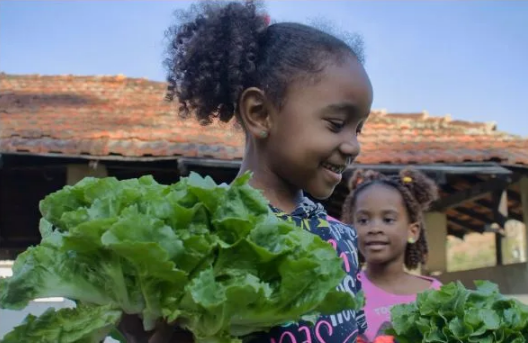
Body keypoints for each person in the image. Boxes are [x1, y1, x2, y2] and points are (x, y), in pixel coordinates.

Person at [118, 0, 373, 342]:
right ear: (259, 113)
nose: (353, 145)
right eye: (336, 124)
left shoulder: (343, 238)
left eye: (357, 130)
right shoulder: (195, 231)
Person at [341, 169, 442, 343]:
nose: (374, 228)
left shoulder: (437, 294)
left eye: (388, 219)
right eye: (363, 220)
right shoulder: (343, 293)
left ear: (413, 231)